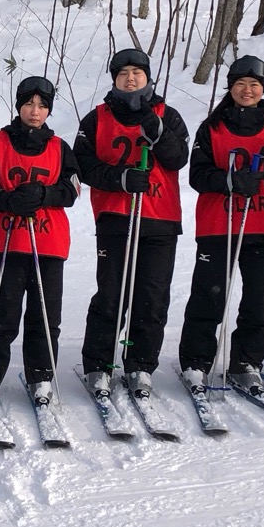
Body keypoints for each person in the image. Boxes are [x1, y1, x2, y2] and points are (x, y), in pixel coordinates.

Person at [177, 56, 264, 393]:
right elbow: (198, 175)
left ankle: (246, 361)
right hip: (220, 224)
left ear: (263, 88)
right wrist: (230, 181)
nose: (248, 90)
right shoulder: (212, 127)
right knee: (209, 297)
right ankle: (196, 361)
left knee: (260, 300)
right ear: (230, 87)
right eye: (241, 84)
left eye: (255, 85)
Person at [73, 48, 190, 398]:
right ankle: (100, 364)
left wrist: (159, 135)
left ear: (147, 77)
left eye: (136, 72)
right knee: (112, 295)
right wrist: (120, 179)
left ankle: (140, 364)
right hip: (116, 217)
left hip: (160, 219)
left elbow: (179, 158)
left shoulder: (168, 115)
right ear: (114, 79)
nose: (130, 78)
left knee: (151, 298)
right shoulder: (96, 119)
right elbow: (83, 165)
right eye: (123, 73)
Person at [0, 76, 80, 407]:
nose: (35, 111)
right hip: (8, 239)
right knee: (2, 313)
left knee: (45, 315)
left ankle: (41, 376)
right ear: (19, 106)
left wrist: (45, 193)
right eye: (30, 104)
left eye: (42, 106)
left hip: (48, 241)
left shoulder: (60, 146)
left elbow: (73, 188)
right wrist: (8, 200)